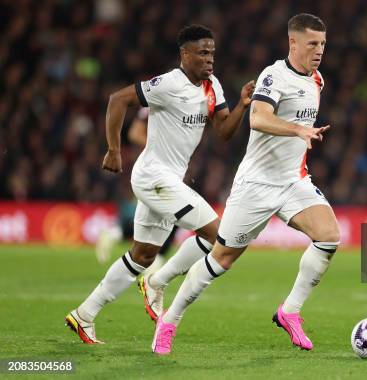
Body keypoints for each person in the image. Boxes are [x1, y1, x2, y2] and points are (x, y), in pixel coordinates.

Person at [151, 13, 340, 355]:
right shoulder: (273, 76)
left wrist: (300, 138)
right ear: (293, 43)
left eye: (323, 44)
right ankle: (169, 320)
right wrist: (298, 129)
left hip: (294, 180)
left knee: (329, 237)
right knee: (221, 259)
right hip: (256, 185)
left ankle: (290, 311)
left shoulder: (317, 79)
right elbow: (258, 118)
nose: (319, 50)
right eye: (312, 43)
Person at [65, 24, 255, 344]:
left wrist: (242, 106)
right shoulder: (168, 84)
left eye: (212, 52)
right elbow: (117, 100)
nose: (210, 59)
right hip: (154, 176)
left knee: (142, 255)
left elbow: (223, 131)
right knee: (216, 235)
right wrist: (113, 149)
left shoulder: (211, 86)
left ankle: (85, 314)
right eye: (202, 52)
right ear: (185, 54)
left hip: (167, 181)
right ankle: (157, 282)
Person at [95, 107, 178, 273]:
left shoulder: (173, 102)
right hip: (154, 169)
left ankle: (114, 234)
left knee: (159, 216)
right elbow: (134, 133)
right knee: (174, 213)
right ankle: (155, 262)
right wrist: (158, 147)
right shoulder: (158, 102)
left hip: (162, 169)